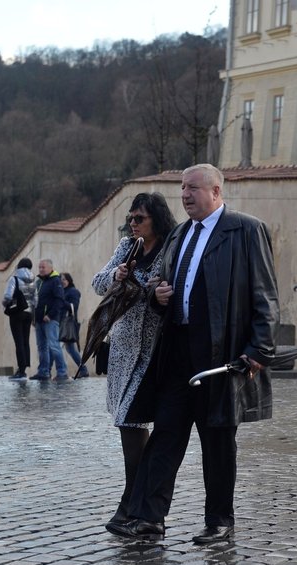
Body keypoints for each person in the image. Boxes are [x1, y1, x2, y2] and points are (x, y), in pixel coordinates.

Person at [108, 164, 279, 544]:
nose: (185, 195)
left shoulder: (245, 230)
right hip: (176, 351)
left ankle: (220, 521)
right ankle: (149, 518)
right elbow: (158, 282)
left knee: (218, 441)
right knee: (166, 434)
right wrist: (156, 294)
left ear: (216, 191)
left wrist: (259, 350)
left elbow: (265, 296)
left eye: (193, 188)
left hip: (221, 356)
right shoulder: (180, 234)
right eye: (182, 188)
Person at [92, 192, 177, 526]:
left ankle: (132, 501)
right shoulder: (127, 247)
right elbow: (99, 283)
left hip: (153, 348)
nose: (133, 223)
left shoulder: (169, 248)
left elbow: (169, 289)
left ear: (156, 219)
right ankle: (134, 500)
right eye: (130, 218)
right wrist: (117, 275)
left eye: (139, 218)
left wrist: (146, 285)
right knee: (128, 421)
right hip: (122, 347)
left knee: (131, 419)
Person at [31, 259, 69, 381]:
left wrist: (50, 315)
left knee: (54, 346)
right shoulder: (39, 282)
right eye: (39, 267)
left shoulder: (55, 281)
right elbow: (35, 302)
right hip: (39, 320)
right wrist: (34, 318)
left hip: (50, 320)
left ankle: (62, 372)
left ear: (50, 268)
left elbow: (59, 300)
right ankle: (43, 372)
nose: (41, 269)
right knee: (41, 347)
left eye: (43, 267)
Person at [2, 257, 37, 381]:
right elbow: (35, 299)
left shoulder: (14, 278)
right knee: (25, 341)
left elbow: (7, 296)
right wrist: (33, 314)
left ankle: (21, 370)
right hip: (28, 314)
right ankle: (24, 368)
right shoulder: (33, 280)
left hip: (17, 313)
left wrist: (5, 305)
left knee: (18, 341)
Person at [60, 272, 90, 379]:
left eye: (64, 279)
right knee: (69, 348)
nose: (62, 281)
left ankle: (81, 370)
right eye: (61, 279)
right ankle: (83, 370)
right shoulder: (62, 291)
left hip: (68, 324)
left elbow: (74, 307)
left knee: (69, 348)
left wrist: (61, 300)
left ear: (69, 280)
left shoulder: (73, 292)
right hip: (61, 323)